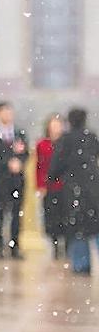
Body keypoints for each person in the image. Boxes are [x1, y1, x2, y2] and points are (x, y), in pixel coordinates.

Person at [49, 108, 99, 276]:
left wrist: (53, 177)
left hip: (73, 190)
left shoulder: (65, 139)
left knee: (77, 228)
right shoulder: (91, 137)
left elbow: (55, 167)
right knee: (96, 225)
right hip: (94, 188)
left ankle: (81, 265)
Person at [0, 101, 29, 258]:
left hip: (17, 180)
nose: (8, 115)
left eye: (10, 111)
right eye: (4, 112)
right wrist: (8, 162)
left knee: (16, 214)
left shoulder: (19, 133)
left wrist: (19, 162)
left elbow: (25, 153)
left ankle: (15, 246)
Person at [36, 114, 68, 259]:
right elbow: (39, 166)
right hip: (49, 186)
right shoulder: (42, 144)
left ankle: (66, 245)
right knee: (51, 217)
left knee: (65, 216)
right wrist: (40, 185)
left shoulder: (67, 142)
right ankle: (55, 246)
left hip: (65, 186)